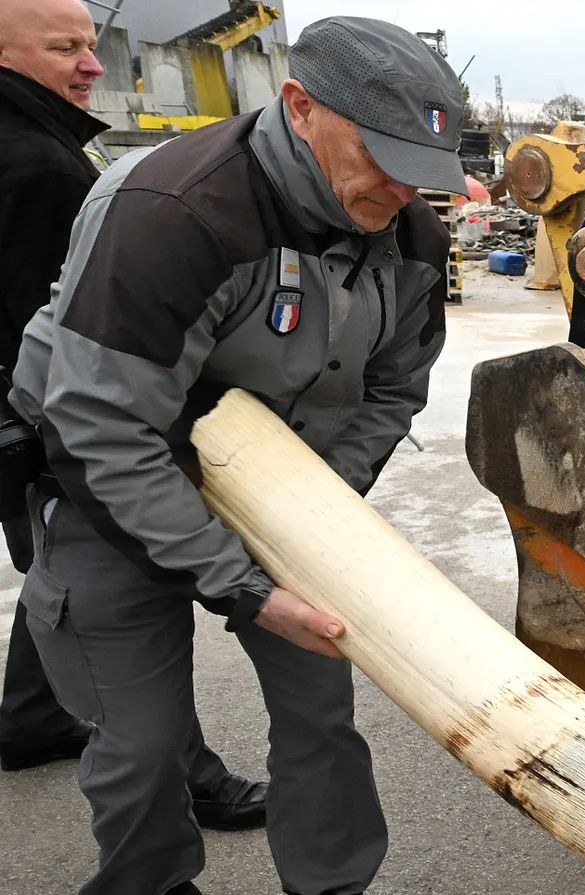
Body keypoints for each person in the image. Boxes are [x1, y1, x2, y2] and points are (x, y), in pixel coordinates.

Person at [9, 14, 460, 894]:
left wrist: (312, 514)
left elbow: (391, 390)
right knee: (141, 745)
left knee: (322, 712)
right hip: (106, 482)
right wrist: (243, 587)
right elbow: (100, 426)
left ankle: (329, 884)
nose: (405, 187)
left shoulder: (410, 236)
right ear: (300, 106)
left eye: (424, 168)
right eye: (384, 155)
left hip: (280, 486)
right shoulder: (175, 211)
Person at [0, 0, 271, 833]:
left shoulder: (41, 144)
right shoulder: (37, 167)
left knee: (62, 572)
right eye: (65, 48)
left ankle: (31, 717)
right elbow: (78, 337)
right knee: (125, 587)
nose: (93, 64)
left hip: (23, 430)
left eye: (90, 43)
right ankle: (185, 777)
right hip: (53, 428)